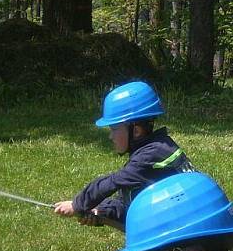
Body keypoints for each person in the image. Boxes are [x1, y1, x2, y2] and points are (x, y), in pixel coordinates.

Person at [53, 81, 193, 231]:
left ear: (136, 131)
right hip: (182, 221)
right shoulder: (157, 147)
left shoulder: (148, 157)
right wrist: (101, 212)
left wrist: (77, 204)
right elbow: (129, 202)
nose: (110, 136)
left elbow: (113, 182)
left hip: (189, 233)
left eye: (114, 129)